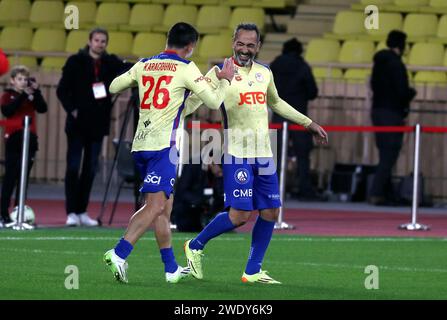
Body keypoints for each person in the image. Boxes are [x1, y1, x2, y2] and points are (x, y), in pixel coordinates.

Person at [183, 23, 328, 284]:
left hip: (264, 154)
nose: (245, 49)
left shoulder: (265, 73)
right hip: (237, 153)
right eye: (241, 43)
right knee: (239, 216)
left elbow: (276, 102)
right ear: (233, 43)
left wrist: (308, 123)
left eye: (251, 45)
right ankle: (195, 245)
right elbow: (194, 101)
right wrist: (172, 115)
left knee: (271, 212)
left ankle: (252, 271)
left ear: (258, 47)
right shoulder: (220, 72)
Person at [102, 22, 234, 284]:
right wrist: (224, 80)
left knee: (164, 209)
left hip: (139, 145)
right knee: (155, 206)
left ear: (167, 40)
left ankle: (171, 268)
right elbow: (213, 102)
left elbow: (114, 87)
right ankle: (119, 253)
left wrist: (138, 78)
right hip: (163, 148)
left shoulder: (144, 64)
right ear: (189, 46)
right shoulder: (185, 67)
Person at [56, 28, 133, 227]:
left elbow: (129, 69)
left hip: (98, 124)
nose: (100, 44)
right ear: (90, 41)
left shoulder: (110, 62)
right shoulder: (75, 61)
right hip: (77, 124)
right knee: (73, 167)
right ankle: (71, 211)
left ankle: (82, 211)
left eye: (103, 41)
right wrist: (72, 110)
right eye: (97, 40)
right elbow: (62, 89)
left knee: (90, 169)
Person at [368, 30, 416, 205]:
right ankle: (376, 192)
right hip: (392, 113)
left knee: (384, 153)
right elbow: (401, 91)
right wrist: (411, 94)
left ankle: (385, 193)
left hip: (377, 111)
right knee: (390, 154)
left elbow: (373, 86)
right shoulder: (397, 64)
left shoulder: (378, 63)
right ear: (401, 45)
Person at [270, 38, 319, 200]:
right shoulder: (302, 66)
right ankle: (304, 188)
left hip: (278, 115)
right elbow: (313, 92)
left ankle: (272, 190)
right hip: (298, 116)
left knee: (275, 156)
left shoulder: (275, 65)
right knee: (303, 155)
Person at [0, 65, 47, 225]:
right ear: (13, 80)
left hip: (30, 139)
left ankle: (18, 212)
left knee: (24, 178)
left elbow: (43, 108)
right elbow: (8, 111)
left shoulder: (32, 96)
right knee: (10, 176)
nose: (22, 82)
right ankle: (3, 213)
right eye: (19, 79)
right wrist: (23, 96)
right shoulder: (7, 95)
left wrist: (37, 91)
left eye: (25, 79)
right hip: (14, 139)